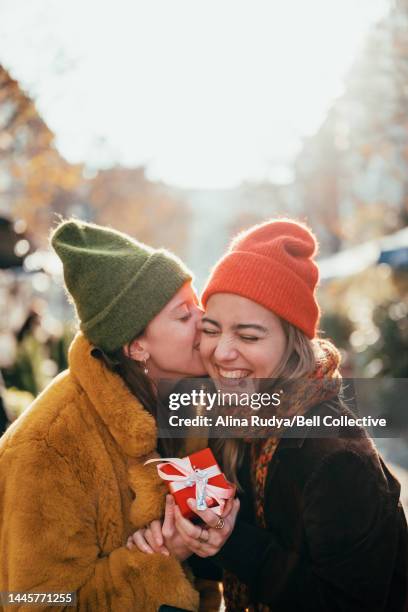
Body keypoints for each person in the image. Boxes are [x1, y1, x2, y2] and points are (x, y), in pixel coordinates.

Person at [131, 219, 408, 611]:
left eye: (248, 336)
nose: (222, 352)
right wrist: (178, 544)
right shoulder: (241, 426)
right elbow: (237, 557)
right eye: (211, 329)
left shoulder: (335, 456)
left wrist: (234, 543)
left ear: (292, 344)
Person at [0, 219, 207, 612]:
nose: (205, 320)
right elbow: (34, 603)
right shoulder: (47, 446)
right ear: (136, 347)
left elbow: (201, 535)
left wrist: (212, 533)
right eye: (184, 316)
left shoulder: (185, 412)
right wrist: (159, 560)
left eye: (198, 305)